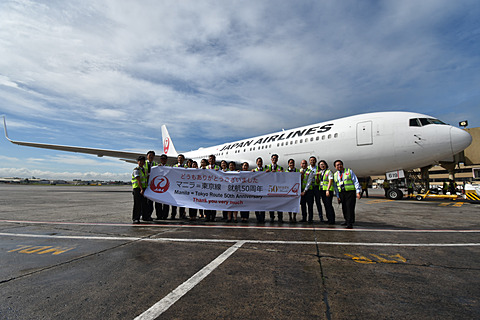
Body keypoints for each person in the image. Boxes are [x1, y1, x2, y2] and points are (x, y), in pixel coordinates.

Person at [333, 160, 361, 229]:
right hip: (342, 193)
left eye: (340, 164)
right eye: (337, 165)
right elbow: (336, 186)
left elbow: (355, 181)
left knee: (349, 207)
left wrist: (358, 191)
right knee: (344, 207)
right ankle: (347, 220)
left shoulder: (349, 171)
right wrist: (338, 196)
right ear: (335, 167)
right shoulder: (335, 174)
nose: (339, 166)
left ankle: (349, 223)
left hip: (350, 192)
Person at [266, 154, 284, 223]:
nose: (274, 160)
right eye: (273, 158)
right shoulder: (267, 167)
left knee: (279, 204)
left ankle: (280, 218)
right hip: (270, 188)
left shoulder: (281, 168)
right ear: (271, 159)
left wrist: (281, 173)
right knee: (271, 204)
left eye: (276, 158)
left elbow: (284, 177)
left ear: (277, 159)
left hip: (278, 188)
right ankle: (272, 217)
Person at [318, 160, 336, 225]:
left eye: (323, 164)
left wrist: (328, 190)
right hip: (322, 191)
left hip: (328, 191)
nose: (322, 166)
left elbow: (330, 181)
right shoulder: (321, 172)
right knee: (326, 205)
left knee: (329, 205)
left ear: (326, 165)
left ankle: (332, 220)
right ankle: (329, 219)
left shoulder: (329, 172)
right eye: (321, 165)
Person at [144, 150, 160, 221]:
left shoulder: (155, 164)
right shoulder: (144, 164)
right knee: (146, 203)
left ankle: (151, 215)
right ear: (147, 156)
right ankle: (146, 215)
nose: (151, 157)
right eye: (149, 155)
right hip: (145, 185)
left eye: (152, 156)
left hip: (153, 186)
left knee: (152, 202)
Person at [131, 156, 148, 224]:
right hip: (137, 188)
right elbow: (138, 180)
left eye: (142, 161)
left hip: (144, 188)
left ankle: (145, 217)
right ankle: (135, 218)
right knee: (137, 204)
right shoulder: (136, 169)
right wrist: (141, 189)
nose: (141, 162)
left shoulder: (144, 169)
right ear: (138, 162)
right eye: (140, 161)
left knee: (144, 203)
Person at [172, 154, 187, 219]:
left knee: (182, 202)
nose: (180, 159)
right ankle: (173, 215)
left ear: (183, 160)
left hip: (183, 187)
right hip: (175, 186)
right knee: (174, 202)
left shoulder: (186, 167)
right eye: (179, 158)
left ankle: (182, 215)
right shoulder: (174, 166)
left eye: (181, 158)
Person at [205, 154, 219, 222]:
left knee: (213, 203)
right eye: (210, 159)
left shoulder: (218, 167)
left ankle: (213, 217)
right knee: (206, 203)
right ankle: (207, 217)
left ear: (215, 160)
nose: (211, 160)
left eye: (213, 159)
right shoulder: (206, 167)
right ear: (208, 160)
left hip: (215, 188)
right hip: (207, 188)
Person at [300, 159, 315, 223]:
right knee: (303, 205)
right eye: (302, 163)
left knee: (310, 206)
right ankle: (304, 218)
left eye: (305, 163)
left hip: (308, 191)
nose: (304, 165)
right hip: (301, 191)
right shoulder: (299, 171)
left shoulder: (310, 171)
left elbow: (309, 182)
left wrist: (305, 191)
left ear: (307, 165)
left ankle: (310, 219)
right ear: (301, 165)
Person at [285, 158, 299, 223]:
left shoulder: (297, 171)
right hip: (288, 190)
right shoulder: (286, 171)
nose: (291, 164)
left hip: (296, 190)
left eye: (292, 163)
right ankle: (290, 217)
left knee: (295, 204)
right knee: (289, 205)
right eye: (290, 163)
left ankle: (294, 217)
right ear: (288, 164)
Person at [311, 156, 325, 222]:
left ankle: (321, 217)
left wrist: (317, 177)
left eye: (314, 160)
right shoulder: (308, 168)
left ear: (316, 161)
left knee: (318, 203)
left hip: (316, 188)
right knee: (310, 204)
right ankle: (310, 218)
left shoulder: (318, 169)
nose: (312, 161)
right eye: (311, 160)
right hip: (310, 188)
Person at [252, 157, 266, 223]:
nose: (259, 163)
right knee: (256, 205)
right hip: (256, 190)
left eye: (260, 161)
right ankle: (258, 217)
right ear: (256, 163)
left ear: (262, 163)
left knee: (263, 205)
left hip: (263, 189)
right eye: (258, 161)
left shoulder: (265, 170)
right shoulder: (254, 170)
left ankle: (262, 218)